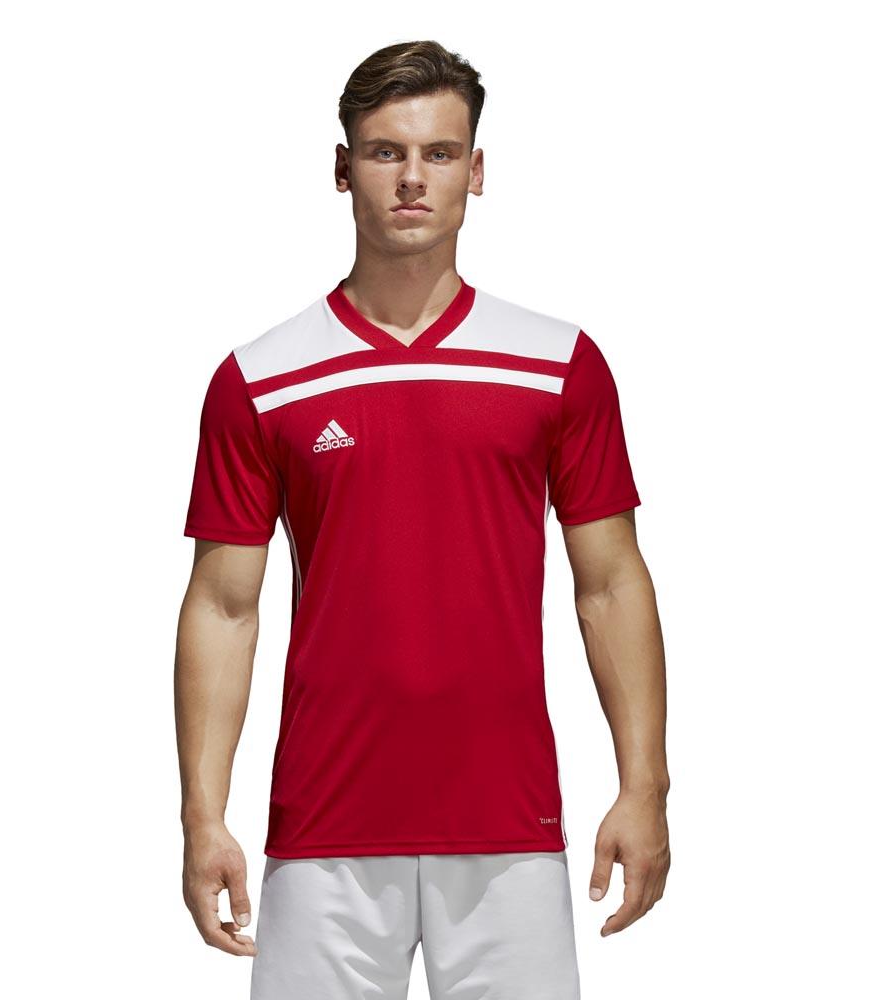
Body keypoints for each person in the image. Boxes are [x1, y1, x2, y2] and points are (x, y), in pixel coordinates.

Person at [175, 39, 669, 999]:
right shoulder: (261, 379)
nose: (412, 178)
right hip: (323, 830)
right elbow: (224, 608)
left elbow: (611, 584)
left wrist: (644, 785)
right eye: (385, 152)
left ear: (475, 171)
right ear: (342, 167)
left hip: (508, 829)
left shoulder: (557, 364)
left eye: (439, 153)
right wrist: (202, 817)